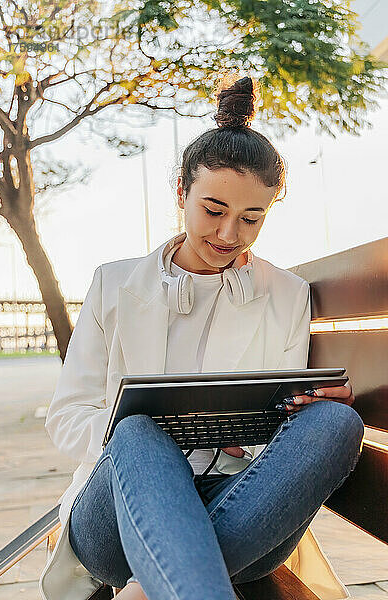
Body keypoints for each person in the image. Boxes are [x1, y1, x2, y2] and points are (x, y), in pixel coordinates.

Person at [39, 75, 364, 600]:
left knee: (336, 422)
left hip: (235, 497)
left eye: (251, 219)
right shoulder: (115, 283)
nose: (228, 235)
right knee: (139, 430)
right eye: (213, 210)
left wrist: (303, 409)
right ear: (181, 193)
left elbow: (275, 432)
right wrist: (167, 433)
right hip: (118, 507)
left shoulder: (287, 294)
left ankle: (158, 586)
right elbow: (67, 416)